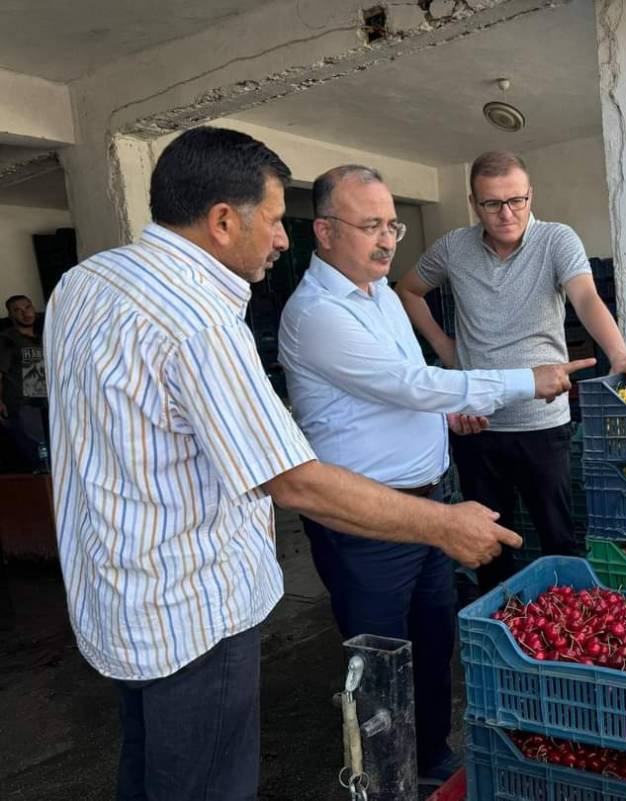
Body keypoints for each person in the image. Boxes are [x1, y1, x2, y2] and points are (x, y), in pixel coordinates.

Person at [43, 127, 523, 801]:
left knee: (153, 770)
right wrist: (443, 525)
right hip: (193, 615)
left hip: (121, 597)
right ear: (221, 220)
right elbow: (292, 477)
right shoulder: (201, 323)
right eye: (272, 220)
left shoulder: (83, 282)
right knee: (208, 782)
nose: (278, 238)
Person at [277, 164, 592, 784]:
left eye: (391, 224)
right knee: (377, 660)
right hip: (366, 520)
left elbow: (409, 385)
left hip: (426, 507)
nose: (388, 239)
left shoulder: (380, 297)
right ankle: (378, 777)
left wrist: (451, 412)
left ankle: (429, 758)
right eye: (369, 225)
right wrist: (522, 380)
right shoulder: (317, 313)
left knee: (430, 640)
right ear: (324, 231)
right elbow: (410, 382)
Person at [397, 150, 626, 591]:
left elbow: (585, 298)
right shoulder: (453, 248)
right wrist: (447, 349)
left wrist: (620, 354)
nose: (507, 214)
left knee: (558, 537)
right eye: (492, 204)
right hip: (477, 425)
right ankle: (501, 628)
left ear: (530, 195)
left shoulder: (557, 240)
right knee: (488, 546)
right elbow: (408, 289)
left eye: (517, 201)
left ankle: (567, 631)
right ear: (473, 203)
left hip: (542, 424)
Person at [0, 295, 48, 470]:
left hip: (46, 404)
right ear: (11, 315)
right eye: (17, 310)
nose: (25, 313)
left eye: (27, 307)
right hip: (23, 406)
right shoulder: (7, 339)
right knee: (40, 456)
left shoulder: (44, 336)